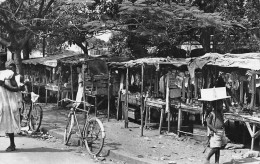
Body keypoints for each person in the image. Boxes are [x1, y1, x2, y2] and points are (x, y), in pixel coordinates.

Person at [0, 60, 21, 151]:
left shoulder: (11, 75)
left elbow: (16, 89)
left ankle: (12, 145)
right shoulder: (5, 74)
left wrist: (4, 85)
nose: (12, 68)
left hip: (8, 103)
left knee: (9, 122)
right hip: (2, 102)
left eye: (13, 66)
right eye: (10, 66)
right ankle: (12, 145)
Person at [204, 100, 227, 164]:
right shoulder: (212, 113)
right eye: (220, 105)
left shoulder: (220, 112)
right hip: (216, 132)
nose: (222, 106)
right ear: (216, 106)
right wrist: (214, 129)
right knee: (216, 147)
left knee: (218, 148)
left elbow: (228, 109)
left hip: (221, 131)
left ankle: (217, 162)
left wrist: (225, 101)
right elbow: (208, 123)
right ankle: (208, 157)